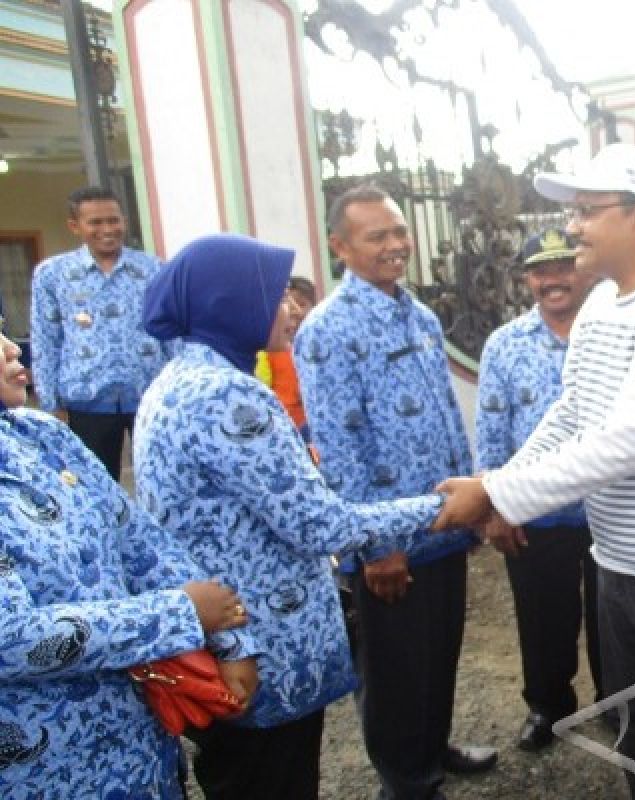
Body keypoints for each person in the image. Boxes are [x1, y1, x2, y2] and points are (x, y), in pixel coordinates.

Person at [438, 142, 635, 800]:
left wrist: (495, 491)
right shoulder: (605, 303)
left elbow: (627, 441)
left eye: (587, 210)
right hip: (621, 563)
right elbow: (574, 411)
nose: (571, 226)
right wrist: (505, 489)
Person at [134, 233, 449, 800]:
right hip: (260, 645)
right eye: (277, 295)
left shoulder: (178, 381)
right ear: (228, 304)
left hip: (230, 636)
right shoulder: (226, 396)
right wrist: (444, 507)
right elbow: (318, 524)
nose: (292, 308)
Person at [294, 186, 494, 800]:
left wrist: (474, 508)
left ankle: (432, 748)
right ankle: (404, 780)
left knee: (439, 652)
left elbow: (446, 420)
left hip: (443, 521)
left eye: (399, 232)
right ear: (340, 246)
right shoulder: (329, 329)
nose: (395, 245)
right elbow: (337, 448)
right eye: (377, 236)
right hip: (389, 539)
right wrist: (375, 546)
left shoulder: (421, 315)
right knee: (395, 668)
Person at [0, 323, 257, 798]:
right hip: (50, 776)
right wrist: (180, 614)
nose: (13, 347)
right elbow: (11, 639)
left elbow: (140, 542)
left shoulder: (40, 435)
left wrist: (230, 640)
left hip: (139, 747)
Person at [475, 228, 603, 752]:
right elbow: (490, 431)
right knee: (541, 617)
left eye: (563, 265)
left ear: (583, 269)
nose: (552, 278)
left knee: (612, 616)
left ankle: (623, 701)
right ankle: (548, 707)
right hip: (536, 512)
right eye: (539, 269)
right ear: (527, 278)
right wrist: (496, 507)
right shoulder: (504, 345)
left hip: (608, 509)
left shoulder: (611, 333)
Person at [30, 186, 171, 480]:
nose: (107, 229)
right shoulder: (53, 274)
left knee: (159, 478)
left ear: (124, 221)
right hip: (86, 401)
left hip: (149, 396)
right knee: (96, 484)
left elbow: (171, 332)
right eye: (96, 222)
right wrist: (51, 403)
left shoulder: (153, 269)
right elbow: (45, 339)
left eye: (114, 220)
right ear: (75, 227)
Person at [256, 275, 318, 439]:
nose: (295, 310)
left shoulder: (320, 347)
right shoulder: (269, 351)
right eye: (284, 300)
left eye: (302, 304)